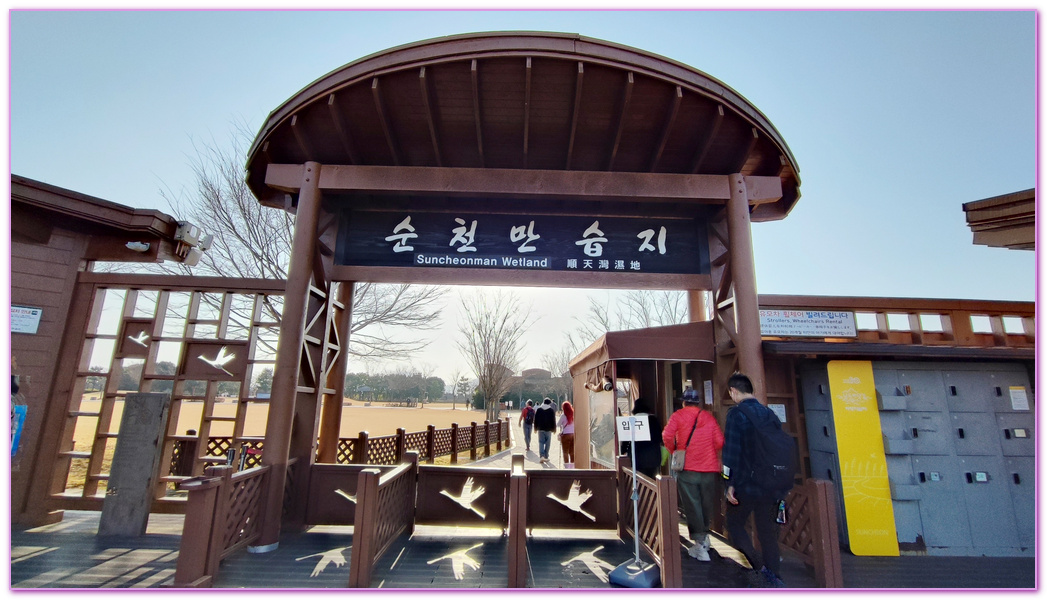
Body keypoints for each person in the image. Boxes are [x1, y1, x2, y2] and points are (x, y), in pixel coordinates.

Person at [722, 372, 787, 588]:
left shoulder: (736, 415)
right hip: (773, 482)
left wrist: (728, 482)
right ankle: (775, 578)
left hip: (746, 484)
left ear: (733, 391)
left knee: (735, 524)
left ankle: (760, 567)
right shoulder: (770, 414)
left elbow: (731, 451)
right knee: (767, 531)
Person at [662, 386, 723, 562]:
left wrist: (676, 450)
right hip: (710, 468)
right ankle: (705, 537)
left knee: (692, 504)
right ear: (698, 402)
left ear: (683, 401)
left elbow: (667, 435)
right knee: (706, 504)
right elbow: (719, 441)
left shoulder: (678, 416)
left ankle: (699, 544)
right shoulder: (709, 418)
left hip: (688, 468)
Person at [619, 397, 662, 479]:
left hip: (637, 458)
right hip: (653, 458)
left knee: (638, 481)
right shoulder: (654, 420)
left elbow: (625, 442)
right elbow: (659, 438)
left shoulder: (631, 420)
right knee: (652, 482)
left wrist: (623, 451)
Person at [533, 397, 557, 463]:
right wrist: (554, 429)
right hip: (548, 429)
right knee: (547, 443)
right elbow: (553, 420)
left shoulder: (539, 409)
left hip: (540, 428)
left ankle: (541, 456)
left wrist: (535, 428)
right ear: (549, 403)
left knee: (541, 442)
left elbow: (536, 420)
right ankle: (546, 456)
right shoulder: (551, 410)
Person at [557, 400, 575, 467]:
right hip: (573, 434)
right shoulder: (573, 414)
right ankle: (573, 465)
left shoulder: (563, 415)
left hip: (566, 434)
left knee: (565, 452)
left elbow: (558, 424)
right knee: (572, 451)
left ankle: (567, 466)